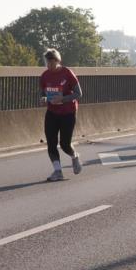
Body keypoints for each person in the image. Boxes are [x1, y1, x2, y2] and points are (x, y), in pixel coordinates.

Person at [40, 49, 83, 181]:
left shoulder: (67, 73)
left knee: (64, 144)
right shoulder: (44, 76)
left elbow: (78, 94)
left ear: (57, 61)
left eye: (51, 62)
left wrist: (62, 99)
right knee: (51, 143)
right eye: (47, 62)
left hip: (68, 112)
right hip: (52, 112)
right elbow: (43, 93)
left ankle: (74, 156)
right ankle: (58, 171)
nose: (49, 65)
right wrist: (43, 99)